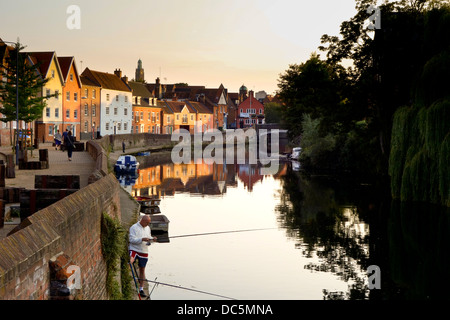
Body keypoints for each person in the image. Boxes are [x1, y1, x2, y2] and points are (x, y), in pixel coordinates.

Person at [129, 215, 157, 298]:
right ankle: (129, 272)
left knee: (142, 269)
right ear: (143, 221)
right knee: (131, 260)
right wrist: (141, 239)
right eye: (147, 222)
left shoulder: (148, 228)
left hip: (144, 250)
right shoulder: (134, 227)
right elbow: (131, 240)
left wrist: (153, 240)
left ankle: (141, 289)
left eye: (149, 222)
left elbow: (149, 240)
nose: (148, 224)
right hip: (134, 248)